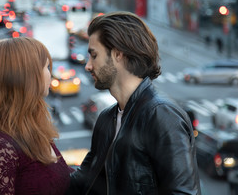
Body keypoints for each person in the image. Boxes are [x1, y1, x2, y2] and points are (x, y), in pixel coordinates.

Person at [68, 12, 201, 194]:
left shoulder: (161, 115)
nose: (88, 65)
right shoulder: (106, 119)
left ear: (118, 54)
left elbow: (183, 192)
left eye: (94, 55)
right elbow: (82, 182)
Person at [0, 37, 74, 195]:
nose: (51, 74)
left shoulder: (33, 129)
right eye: (47, 67)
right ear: (27, 76)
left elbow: (60, 177)